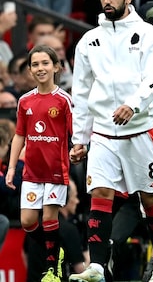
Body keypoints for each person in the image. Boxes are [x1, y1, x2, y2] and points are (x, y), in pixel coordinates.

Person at [68, 0, 153, 282]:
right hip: (102, 132)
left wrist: (133, 105)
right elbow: (81, 92)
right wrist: (79, 138)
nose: (107, 0)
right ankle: (97, 266)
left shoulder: (148, 34)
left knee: (150, 199)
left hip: (140, 129)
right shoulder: (89, 40)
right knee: (100, 192)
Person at [5, 45, 73, 282]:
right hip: (32, 172)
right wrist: (12, 167)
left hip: (56, 170)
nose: (40, 68)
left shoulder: (65, 100)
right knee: (27, 222)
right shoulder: (25, 101)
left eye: (45, 63)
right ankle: (55, 250)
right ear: (31, 71)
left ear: (56, 67)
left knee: (49, 218)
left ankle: (52, 270)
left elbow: (75, 134)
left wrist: (77, 152)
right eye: (35, 64)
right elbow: (19, 136)